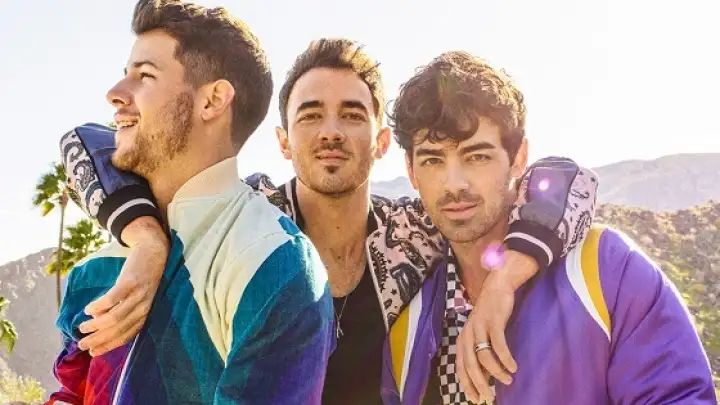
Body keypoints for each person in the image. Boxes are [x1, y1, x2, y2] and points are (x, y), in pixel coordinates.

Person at [60, 39, 598, 404]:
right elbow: (86, 142)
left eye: (353, 115)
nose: (331, 131)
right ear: (283, 141)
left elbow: (566, 179)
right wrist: (146, 239)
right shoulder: (246, 221)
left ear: (382, 143)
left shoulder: (415, 233)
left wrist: (503, 283)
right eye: (311, 114)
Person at [382, 50, 717, 404]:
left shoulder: (604, 271)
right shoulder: (407, 335)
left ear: (519, 159)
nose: (454, 184)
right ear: (411, 171)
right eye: (433, 160)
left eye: (477, 156)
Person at [46, 1, 333, 404]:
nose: (115, 94)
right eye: (125, 74)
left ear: (212, 100)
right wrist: (148, 240)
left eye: (145, 75)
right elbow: (73, 390)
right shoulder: (97, 269)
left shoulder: (273, 264)